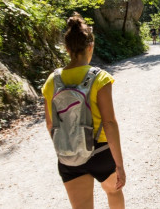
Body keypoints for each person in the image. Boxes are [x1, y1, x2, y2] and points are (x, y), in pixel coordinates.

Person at [42, 13, 126, 209]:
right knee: (114, 192)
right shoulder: (100, 78)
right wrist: (119, 165)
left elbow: (50, 124)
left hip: (69, 155)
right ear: (91, 46)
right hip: (101, 152)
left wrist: (68, 145)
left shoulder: (52, 81)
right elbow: (110, 123)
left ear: (67, 48)